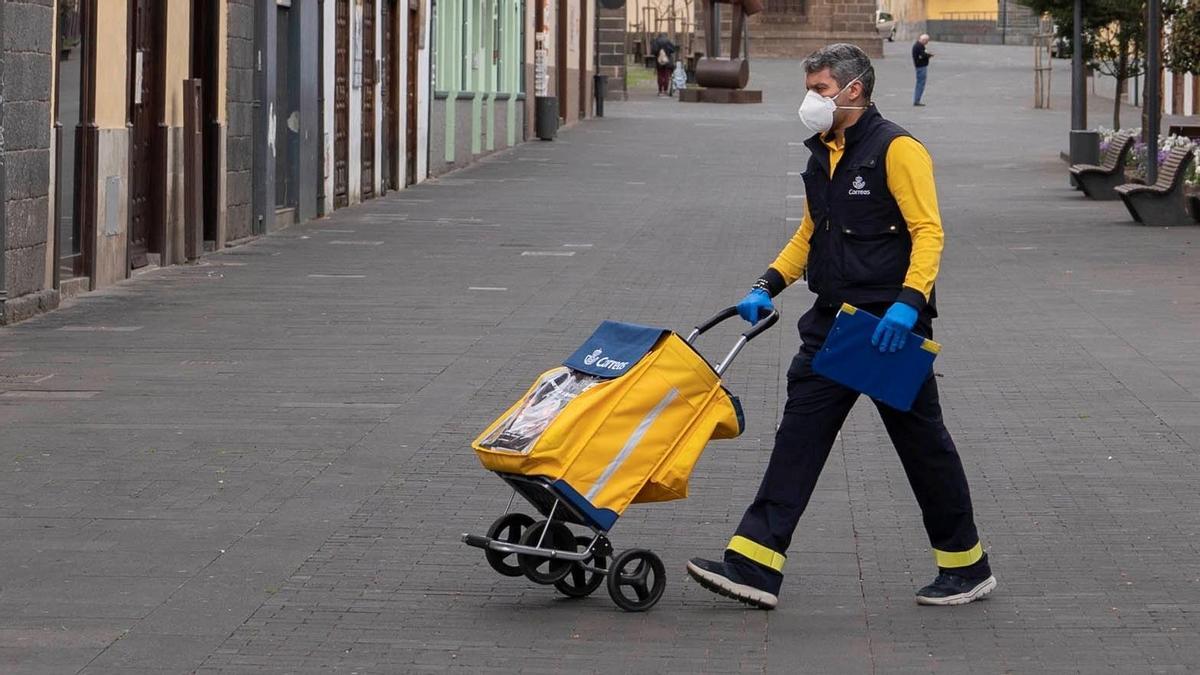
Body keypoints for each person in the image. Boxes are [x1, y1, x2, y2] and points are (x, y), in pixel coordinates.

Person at [686, 43, 996, 610]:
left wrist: (908, 303)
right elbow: (810, 234)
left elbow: (929, 232)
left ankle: (965, 565)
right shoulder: (823, 153)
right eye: (809, 89)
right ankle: (754, 563)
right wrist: (766, 285)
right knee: (800, 436)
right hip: (832, 320)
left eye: (820, 89)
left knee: (922, 445)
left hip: (885, 327)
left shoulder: (897, 149)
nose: (811, 99)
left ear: (854, 90)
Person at [649, 33, 677, 97]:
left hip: (659, 61)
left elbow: (653, 51)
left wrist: (659, 53)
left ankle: (660, 90)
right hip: (667, 61)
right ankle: (665, 90)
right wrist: (667, 52)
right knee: (666, 75)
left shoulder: (656, 41)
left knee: (660, 75)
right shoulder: (668, 41)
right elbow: (673, 49)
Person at [912, 34, 933, 106]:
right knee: (920, 84)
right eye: (926, 41)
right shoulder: (919, 46)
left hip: (920, 66)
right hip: (921, 67)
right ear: (924, 40)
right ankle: (917, 100)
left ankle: (917, 99)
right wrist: (929, 55)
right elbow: (922, 55)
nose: (927, 43)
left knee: (920, 83)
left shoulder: (918, 45)